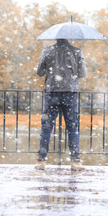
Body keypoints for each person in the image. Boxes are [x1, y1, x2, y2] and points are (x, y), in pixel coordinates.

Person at [35, 38, 87, 171]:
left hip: (52, 91)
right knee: (72, 128)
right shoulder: (77, 52)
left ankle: (41, 160)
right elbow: (83, 73)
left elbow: (39, 72)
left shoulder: (47, 51)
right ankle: (75, 161)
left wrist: (51, 70)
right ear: (69, 37)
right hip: (70, 92)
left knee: (46, 127)